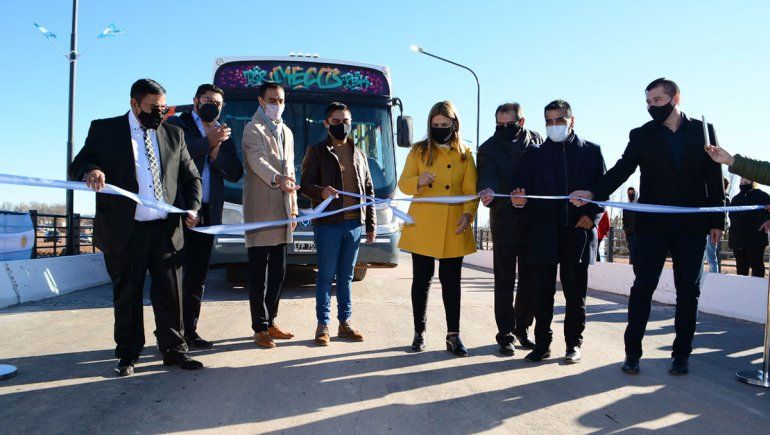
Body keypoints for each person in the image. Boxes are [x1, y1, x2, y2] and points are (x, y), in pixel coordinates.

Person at [570, 78, 725, 375]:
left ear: (675, 98)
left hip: (692, 226)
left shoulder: (703, 130)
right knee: (643, 288)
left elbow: (713, 175)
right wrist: (593, 192)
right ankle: (632, 354)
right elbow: (621, 169)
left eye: (657, 100)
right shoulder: (642, 135)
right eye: (648, 101)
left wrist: (717, 219)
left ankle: (681, 355)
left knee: (688, 292)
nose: (651, 106)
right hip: (652, 226)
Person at [69, 78, 204, 376]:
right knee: (127, 295)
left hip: (167, 231)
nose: (161, 113)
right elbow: (79, 163)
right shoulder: (105, 130)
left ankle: (174, 350)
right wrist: (91, 170)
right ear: (134, 103)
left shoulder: (174, 134)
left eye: (164, 107)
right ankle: (128, 354)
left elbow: (191, 176)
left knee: (170, 295)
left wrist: (193, 207)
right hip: (125, 230)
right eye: (154, 108)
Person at [514, 99, 606, 364]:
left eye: (559, 120)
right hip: (542, 233)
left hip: (577, 233)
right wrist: (517, 200)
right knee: (543, 294)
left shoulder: (591, 152)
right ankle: (542, 344)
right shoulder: (534, 154)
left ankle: (573, 345)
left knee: (575, 295)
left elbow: (603, 190)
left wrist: (592, 215)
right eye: (549, 121)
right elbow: (520, 191)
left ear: (571, 121)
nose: (554, 126)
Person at [164, 84, 243, 349]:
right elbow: (175, 155)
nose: (213, 106)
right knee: (173, 276)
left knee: (197, 277)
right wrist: (207, 143)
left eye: (218, 103)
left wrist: (217, 151)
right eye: (208, 100)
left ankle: (190, 332)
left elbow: (235, 172)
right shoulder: (178, 124)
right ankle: (170, 334)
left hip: (209, 213)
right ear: (196, 100)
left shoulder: (224, 133)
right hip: (181, 211)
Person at [398, 100, 479, 357]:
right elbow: (403, 183)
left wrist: (468, 214)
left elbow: (471, 191)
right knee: (421, 281)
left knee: (451, 282)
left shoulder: (465, 154)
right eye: (435, 125)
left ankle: (453, 335)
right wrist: (418, 182)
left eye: (445, 124)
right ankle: (418, 332)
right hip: (423, 224)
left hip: (453, 226)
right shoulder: (418, 151)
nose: (440, 128)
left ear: (454, 124)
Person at [300, 102, 376, 346]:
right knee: (325, 276)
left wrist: (371, 223)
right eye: (336, 121)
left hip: (353, 225)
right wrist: (321, 192)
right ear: (326, 124)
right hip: (328, 224)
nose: (342, 126)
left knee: (345, 278)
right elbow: (305, 184)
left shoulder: (360, 153)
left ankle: (345, 324)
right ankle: (323, 325)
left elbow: (369, 190)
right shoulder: (317, 150)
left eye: (346, 121)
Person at [477, 103, 542, 355]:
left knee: (530, 280)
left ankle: (523, 328)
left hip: (533, 222)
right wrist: (489, 192)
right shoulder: (488, 148)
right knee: (504, 281)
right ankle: (504, 334)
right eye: (499, 124)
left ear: (521, 122)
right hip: (503, 221)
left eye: (509, 124)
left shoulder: (537, 141)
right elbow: (487, 175)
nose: (503, 128)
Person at [241, 82, 299, 348]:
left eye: (281, 100)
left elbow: (292, 172)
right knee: (258, 274)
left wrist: (295, 207)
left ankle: (272, 320)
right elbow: (257, 161)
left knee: (278, 272)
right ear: (261, 102)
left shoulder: (286, 131)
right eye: (273, 100)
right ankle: (259, 327)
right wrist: (277, 178)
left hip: (283, 211)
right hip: (261, 213)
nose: (278, 104)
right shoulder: (252, 129)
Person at [728, 178, 770, 277]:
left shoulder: (763, 196)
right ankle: (742, 291)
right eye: (741, 182)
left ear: (752, 182)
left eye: (746, 182)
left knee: (757, 267)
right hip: (738, 241)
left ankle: (758, 291)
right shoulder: (736, 199)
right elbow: (731, 217)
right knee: (741, 270)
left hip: (756, 239)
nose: (743, 184)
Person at [704, 178, 730, 273]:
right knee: (706, 255)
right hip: (707, 228)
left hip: (713, 230)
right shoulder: (716, 197)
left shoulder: (725, 199)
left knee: (711, 256)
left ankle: (714, 275)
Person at [623, 187, 637, 264]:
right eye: (629, 193)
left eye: (632, 193)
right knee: (632, 255)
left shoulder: (639, 206)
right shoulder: (626, 207)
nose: (631, 194)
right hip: (630, 235)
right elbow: (624, 220)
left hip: (639, 235)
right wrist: (626, 231)